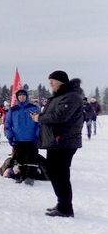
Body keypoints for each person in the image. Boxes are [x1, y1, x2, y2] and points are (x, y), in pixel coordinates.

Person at [32, 71, 83, 217]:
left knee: (60, 174)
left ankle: (66, 207)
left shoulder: (71, 96)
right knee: (55, 173)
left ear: (60, 82)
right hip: (55, 141)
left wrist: (39, 118)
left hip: (64, 142)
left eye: (52, 81)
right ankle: (62, 203)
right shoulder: (59, 96)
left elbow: (59, 116)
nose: (51, 85)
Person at [5, 89, 40, 184]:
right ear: (17, 98)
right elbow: (8, 124)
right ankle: (20, 175)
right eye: (20, 96)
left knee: (32, 158)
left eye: (24, 95)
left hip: (32, 138)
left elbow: (39, 123)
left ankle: (31, 177)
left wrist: (37, 135)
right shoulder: (13, 109)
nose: (22, 97)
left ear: (26, 96)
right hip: (18, 139)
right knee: (19, 159)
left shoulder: (34, 108)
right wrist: (10, 136)